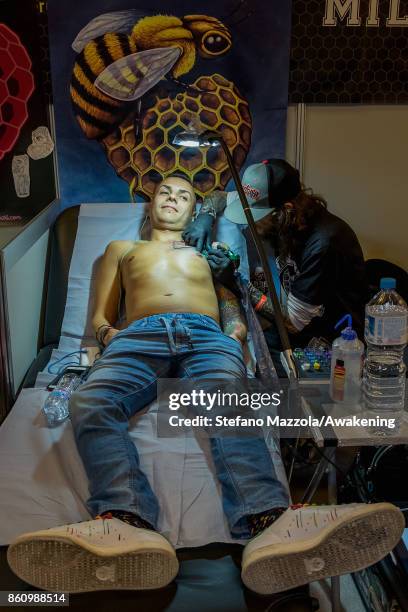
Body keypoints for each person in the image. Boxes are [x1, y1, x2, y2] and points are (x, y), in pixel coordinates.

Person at [7, 174, 403, 596]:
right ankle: (127, 521)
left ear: (194, 210)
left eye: (184, 195)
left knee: (228, 399)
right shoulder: (123, 249)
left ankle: (269, 521)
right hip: (140, 334)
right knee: (92, 400)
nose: (174, 199)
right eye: (166, 192)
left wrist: (234, 335)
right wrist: (109, 337)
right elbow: (102, 315)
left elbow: (229, 300)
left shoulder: (208, 252)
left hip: (206, 334)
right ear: (150, 203)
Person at [183, 160, 369, 376]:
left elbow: (292, 323)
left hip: (335, 342)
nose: (250, 223)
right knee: (252, 360)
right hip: (301, 327)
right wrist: (205, 217)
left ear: (285, 211)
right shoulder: (284, 213)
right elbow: (219, 197)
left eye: (256, 217)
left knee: (269, 380)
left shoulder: (323, 244)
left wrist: (236, 282)